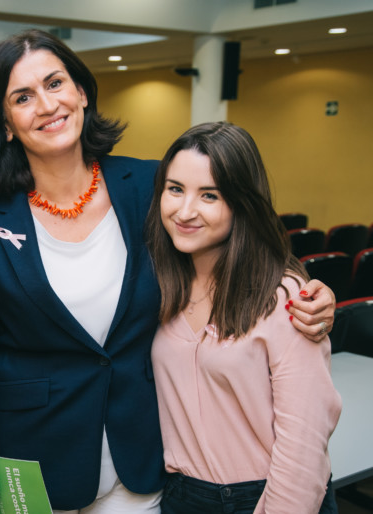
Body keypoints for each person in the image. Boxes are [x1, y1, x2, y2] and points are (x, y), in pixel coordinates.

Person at [0, 29, 336, 514]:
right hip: (35, 466)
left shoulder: (148, 185)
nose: (46, 105)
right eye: (23, 97)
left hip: (143, 459)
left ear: (82, 92)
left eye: (55, 83)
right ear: (5, 124)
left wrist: (303, 287)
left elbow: (233, 238)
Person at [146, 122, 342, 514]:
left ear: (241, 202)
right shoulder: (158, 285)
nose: (185, 211)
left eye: (209, 195)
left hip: (268, 496)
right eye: (175, 189)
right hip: (181, 496)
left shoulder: (282, 296)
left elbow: (303, 443)